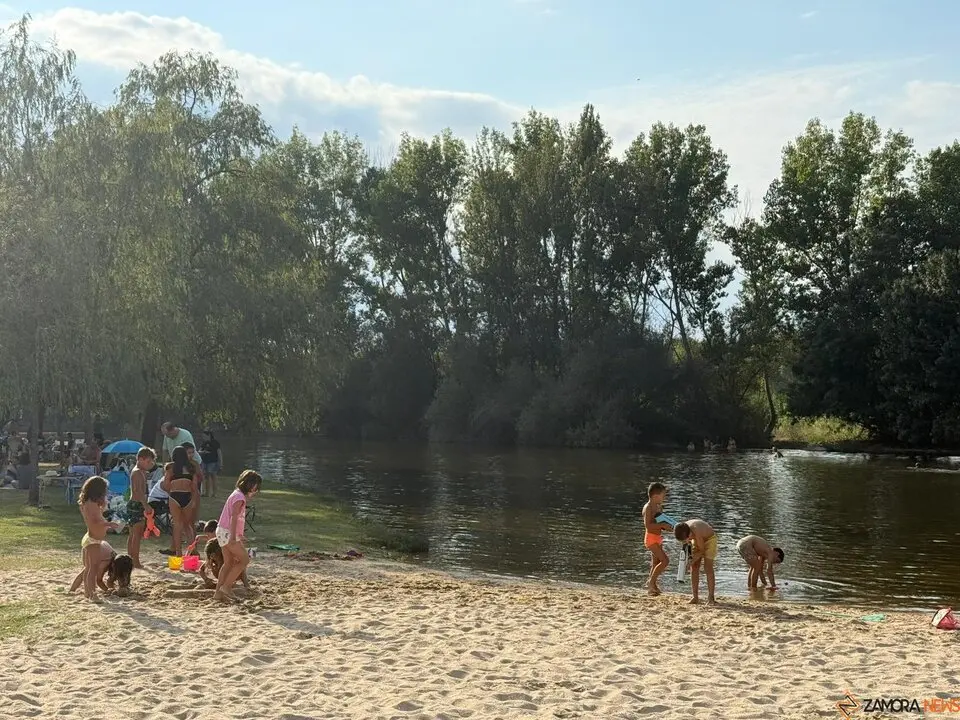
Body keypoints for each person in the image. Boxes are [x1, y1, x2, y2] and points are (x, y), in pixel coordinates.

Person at [69, 475, 120, 601]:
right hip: (93, 540)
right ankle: (92, 593)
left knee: (88, 568)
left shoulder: (91, 503)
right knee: (93, 568)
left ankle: (86, 591)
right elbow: (94, 522)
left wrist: (103, 506)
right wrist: (108, 524)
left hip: (92, 539)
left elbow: (97, 518)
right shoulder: (91, 505)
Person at [214, 470, 262, 603]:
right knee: (244, 560)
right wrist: (234, 537)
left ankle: (218, 593)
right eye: (255, 487)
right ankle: (226, 587)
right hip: (228, 533)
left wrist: (240, 535)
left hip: (223, 531)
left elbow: (236, 518)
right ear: (250, 485)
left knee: (228, 563)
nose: (256, 490)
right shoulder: (240, 498)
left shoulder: (236, 494)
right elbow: (234, 517)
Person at [161, 446, 200, 556]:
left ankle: (178, 552)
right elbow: (194, 487)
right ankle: (192, 551)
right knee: (188, 526)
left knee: (177, 525)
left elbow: (166, 485)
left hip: (175, 496)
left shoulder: (170, 468)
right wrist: (193, 501)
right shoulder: (191, 468)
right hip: (187, 496)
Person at [674, 519, 718, 605]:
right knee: (694, 567)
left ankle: (711, 598)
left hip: (709, 539)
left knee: (708, 568)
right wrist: (689, 560)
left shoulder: (696, 531)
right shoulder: (682, 529)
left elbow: (701, 550)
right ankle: (695, 597)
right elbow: (688, 546)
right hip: (696, 539)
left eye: (685, 540)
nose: (684, 542)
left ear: (689, 534)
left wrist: (691, 561)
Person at [126, 447, 156, 568]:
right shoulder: (137, 472)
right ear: (140, 459)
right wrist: (146, 505)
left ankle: (130, 558)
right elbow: (137, 491)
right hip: (137, 504)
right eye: (148, 462)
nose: (150, 465)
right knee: (136, 534)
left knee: (133, 533)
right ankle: (135, 560)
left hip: (135, 503)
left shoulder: (140, 472)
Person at [642, 482, 673, 596]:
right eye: (663, 495)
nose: (664, 498)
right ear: (655, 496)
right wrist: (662, 526)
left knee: (656, 562)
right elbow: (648, 526)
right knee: (665, 561)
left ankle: (652, 586)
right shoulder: (648, 507)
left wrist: (669, 527)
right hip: (650, 538)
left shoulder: (658, 506)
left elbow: (660, 522)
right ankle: (651, 583)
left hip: (658, 537)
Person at [199, 430, 222, 498]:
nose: (203, 437)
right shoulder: (204, 443)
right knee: (206, 477)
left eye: (204, 436)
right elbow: (199, 451)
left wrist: (220, 463)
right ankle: (206, 493)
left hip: (213, 462)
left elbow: (219, 453)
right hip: (204, 462)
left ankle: (214, 493)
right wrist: (203, 452)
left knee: (213, 477)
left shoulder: (215, 442)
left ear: (208, 435)